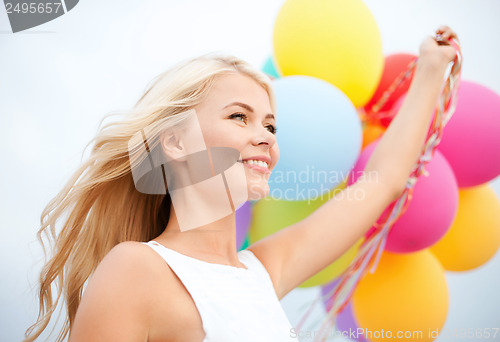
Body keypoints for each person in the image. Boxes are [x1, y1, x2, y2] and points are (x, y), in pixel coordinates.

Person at [24, 26, 459, 342]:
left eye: (271, 126)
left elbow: (381, 184)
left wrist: (431, 69)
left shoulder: (264, 272)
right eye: (239, 117)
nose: (266, 137)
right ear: (175, 142)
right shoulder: (134, 269)